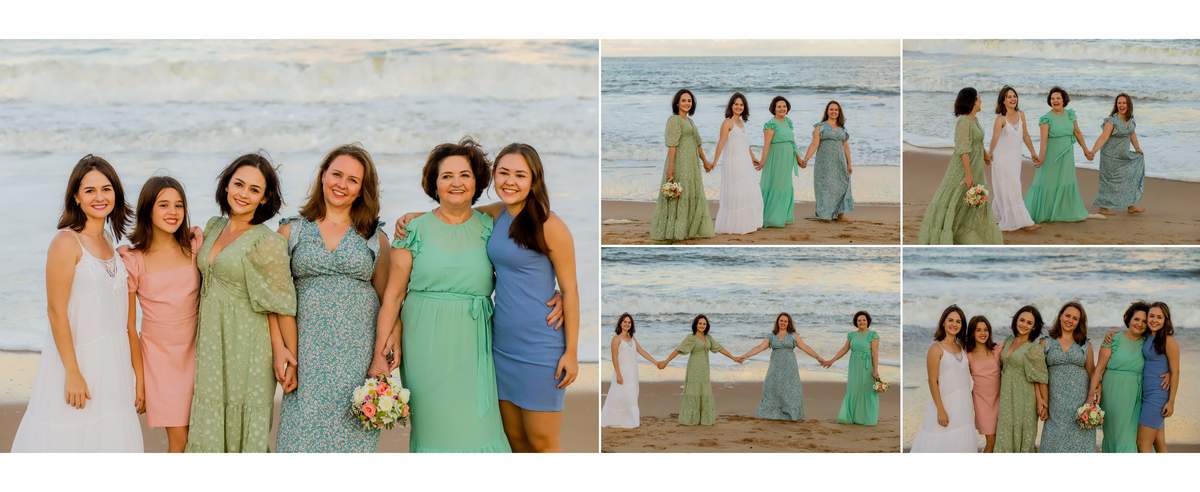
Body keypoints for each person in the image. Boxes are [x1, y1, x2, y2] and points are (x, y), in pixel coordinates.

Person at [12, 155, 143, 452]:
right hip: (78, 362)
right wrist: (72, 371)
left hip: (113, 365)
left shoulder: (111, 241)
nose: (100, 197)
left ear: (116, 193)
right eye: (90, 190)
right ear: (76, 197)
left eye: (106, 189)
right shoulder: (66, 242)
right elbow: (56, 312)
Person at [188, 154, 297, 452]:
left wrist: (289, 357)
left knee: (244, 429)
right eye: (239, 184)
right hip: (211, 344)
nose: (243, 194)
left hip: (249, 348)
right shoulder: (212, 228)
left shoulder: (267, 242)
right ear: (226, 186)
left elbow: (281, 305)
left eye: (253, 190)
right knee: (210, 425)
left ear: (264, 199)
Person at [118, 176, 202, 452]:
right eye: (163, 205)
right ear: (147, 210)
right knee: (180, 440)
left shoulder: (194, 248)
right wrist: (140, 382)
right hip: (160, 362)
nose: (173, 212)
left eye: (179, 205)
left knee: (200, 440)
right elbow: (129, 328)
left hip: (198, 355)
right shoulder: (133, 260)